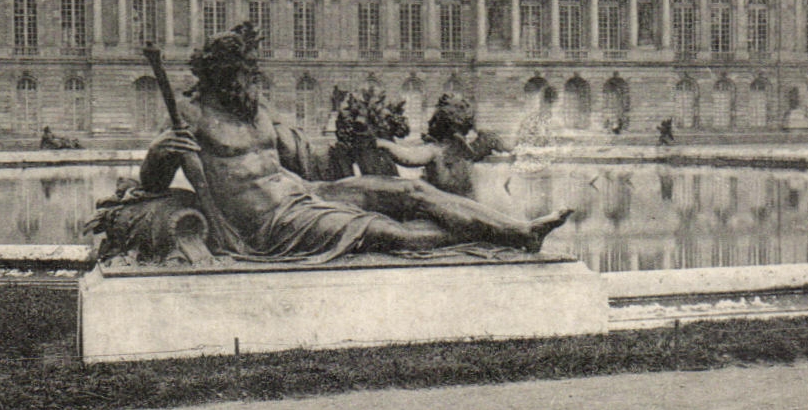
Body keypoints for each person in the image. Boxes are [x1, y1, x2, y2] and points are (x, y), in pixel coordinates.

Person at [141, 24, 570, 261]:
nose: (253, 79)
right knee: (385, 231)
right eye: (245, 72)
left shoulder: (257, 108)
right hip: (267, 224)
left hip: (305, 195)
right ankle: (487, 238)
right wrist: (161, 154)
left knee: (410, 190)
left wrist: (357, 138)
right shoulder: (190, 114)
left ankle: (518, 232)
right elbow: (152, 183)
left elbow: (310, 163)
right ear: (220, 73)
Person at [374, 94, 506, 199]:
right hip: (464, 205)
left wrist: (383, 144)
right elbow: (407, 157)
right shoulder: (466, 150)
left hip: (449, 206)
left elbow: (408, 157)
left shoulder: (437, 150)